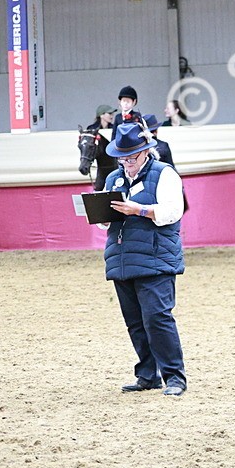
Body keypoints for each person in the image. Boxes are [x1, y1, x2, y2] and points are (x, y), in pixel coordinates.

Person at [102, 122, 188, 397]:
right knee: (135, 322)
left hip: (155, 258)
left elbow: (173, 212)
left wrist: (138, 210)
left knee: (157, 318)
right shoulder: (113, 179)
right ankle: (147, 374)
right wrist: (101, 217)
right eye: (122, 157)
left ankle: (174, 377)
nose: (126, 162)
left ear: (146, 152)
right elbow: (107, 223)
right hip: (122, 258)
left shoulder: (165, 174)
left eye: (132, 157)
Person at [84, 104, 119, 191]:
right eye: (109, 113)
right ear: (101, 115)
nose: (112, 116)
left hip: (113, 163)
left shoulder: (114, 128)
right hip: (101, 167)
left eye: (112, 114)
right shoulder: (91, 129)